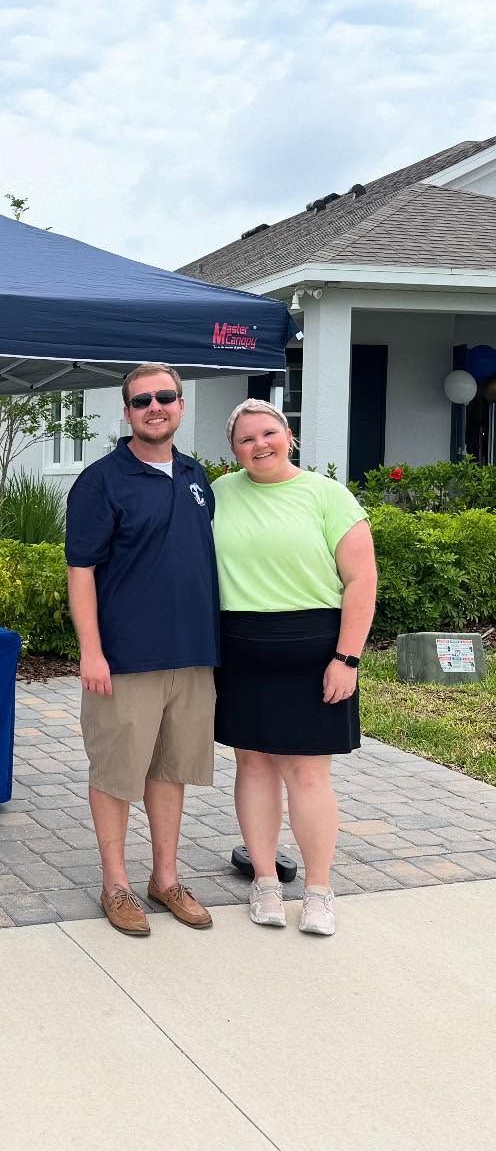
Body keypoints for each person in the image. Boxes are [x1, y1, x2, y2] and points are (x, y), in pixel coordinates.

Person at [212, 400, 377, 936]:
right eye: (246, 439)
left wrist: (347, 658)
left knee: (307, 772)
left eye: (269, 433)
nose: (259, 445)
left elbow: (361, 582)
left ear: (289, 436)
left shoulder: (327, 495)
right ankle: (263, 881)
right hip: (241, 651)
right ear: (233, 450)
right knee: (253, 765)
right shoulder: (218, 495)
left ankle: (319, 891)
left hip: (315, 655)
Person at [66, 364, 218, 936]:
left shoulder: (197, 477)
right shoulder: (102, 481)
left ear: (180, 405)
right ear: (126, 412)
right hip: (126, 659)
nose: (155, 407)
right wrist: (92, 651)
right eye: (142, 400)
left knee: (169, 769)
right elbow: (81, 571)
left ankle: (166, 878)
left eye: (166, 397)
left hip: (191, 654)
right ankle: (115, 884)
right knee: (116, 772)